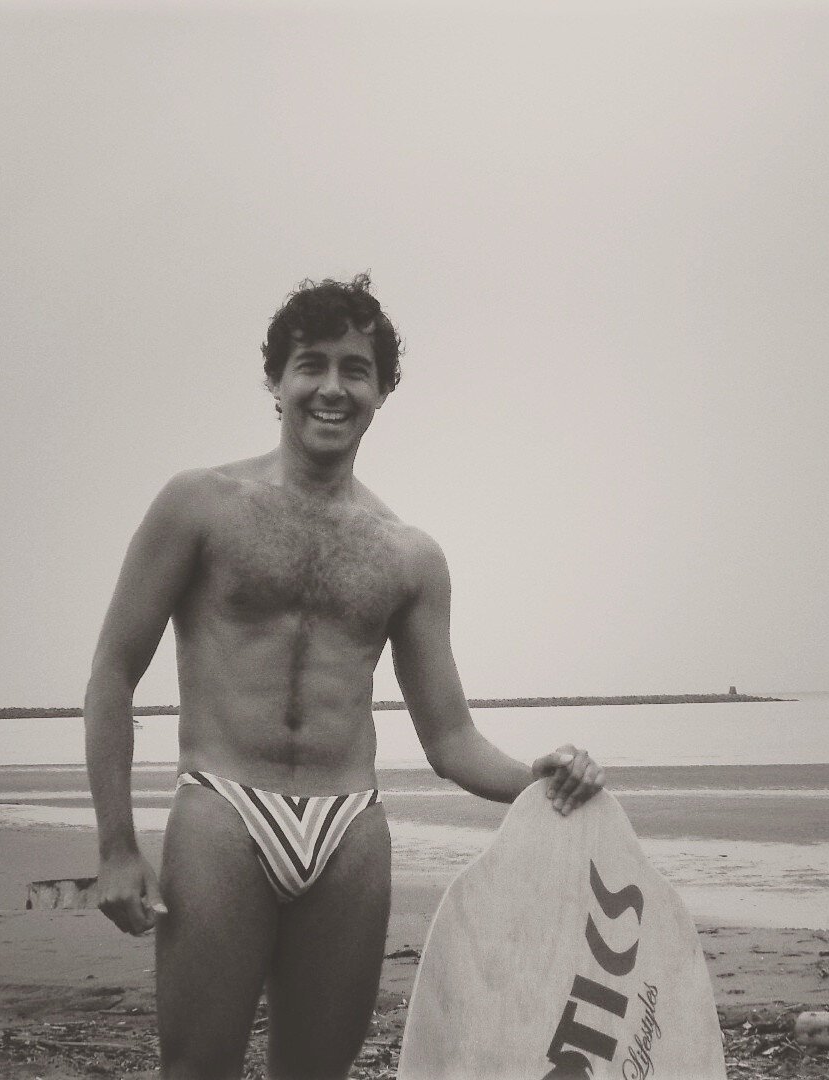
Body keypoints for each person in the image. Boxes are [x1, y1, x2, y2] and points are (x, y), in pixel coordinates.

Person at [85, 274, 606, 1080]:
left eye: (355, 369)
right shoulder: (199, 505)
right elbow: (114, 672)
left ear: (382, 390)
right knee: (196, 1071)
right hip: (225, 810)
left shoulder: (409, 555)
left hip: (349, 832)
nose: (332, 387)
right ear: (276, 380)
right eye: (311, 364)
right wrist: (117, 846)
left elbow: (450, 736)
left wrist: (536, 780)